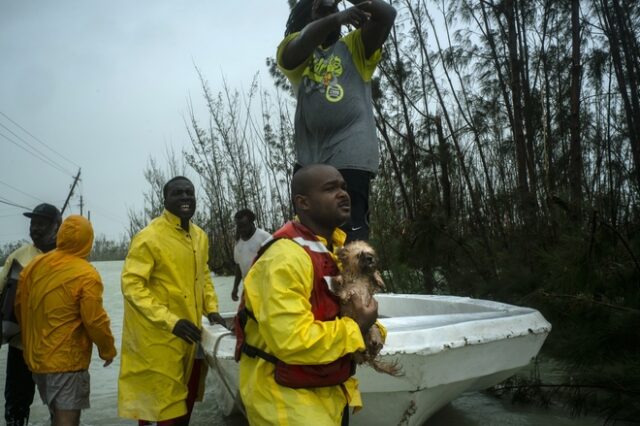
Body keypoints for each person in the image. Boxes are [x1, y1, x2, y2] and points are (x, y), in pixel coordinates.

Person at [238, 164, 383, 425]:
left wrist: (373, 330)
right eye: (330, 189)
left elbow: (341, 310)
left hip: (329, 395)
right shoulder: (284, 258)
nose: (343, 194)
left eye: (343, 187)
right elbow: (292, 340)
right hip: (288, 406)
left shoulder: (336, 251)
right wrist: (358, 327)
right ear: (303, 202)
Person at [277, 0, 396, 241]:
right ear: (304, 16)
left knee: (350, 240)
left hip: (351, 158)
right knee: (309, 238)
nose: (333, 13)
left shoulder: (354, 45)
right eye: (321, 9)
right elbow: (302, 43)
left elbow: (386, 14)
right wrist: (335, 18)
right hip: (310, 161)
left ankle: (356, 279)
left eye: (335, 8)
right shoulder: (293, 48)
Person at [118, 176, 226, 425]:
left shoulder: (200, 236)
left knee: (183, 399)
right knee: (160, 404)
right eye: (178, 193)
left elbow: (204, 274)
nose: (186, 197)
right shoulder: (149, 237)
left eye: (190, 193)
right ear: (165, 199)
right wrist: (170, 321)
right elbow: (132, 285)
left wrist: (212, 309)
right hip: (157, 337)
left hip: (189, 333)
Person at [14, 215, 116, 426]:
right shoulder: (86, 274)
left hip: (37, 362)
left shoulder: (34, 266)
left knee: (55, 416)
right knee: (67, 421)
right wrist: (107, 349)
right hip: (67, 362)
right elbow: (95, 320)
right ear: (88, 240)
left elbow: (20, 308)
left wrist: (30, 347)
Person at [0, 203, 61, 426]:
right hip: (20, 346)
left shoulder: (70, 257)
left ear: (57, 226)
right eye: (33, 224)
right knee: (16, 405)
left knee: (61, 406)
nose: (35, 228)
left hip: (57, 348)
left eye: (42, 224)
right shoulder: (18, 257)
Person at [230, 209, 271, 302]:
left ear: (252, 223)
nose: (241, 230)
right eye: (239, 227)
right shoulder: (238, 244)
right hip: (249, 291)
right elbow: (238, 266)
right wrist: (235, 287)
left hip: (267, 290)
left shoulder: (265, 237)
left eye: (244, 226)